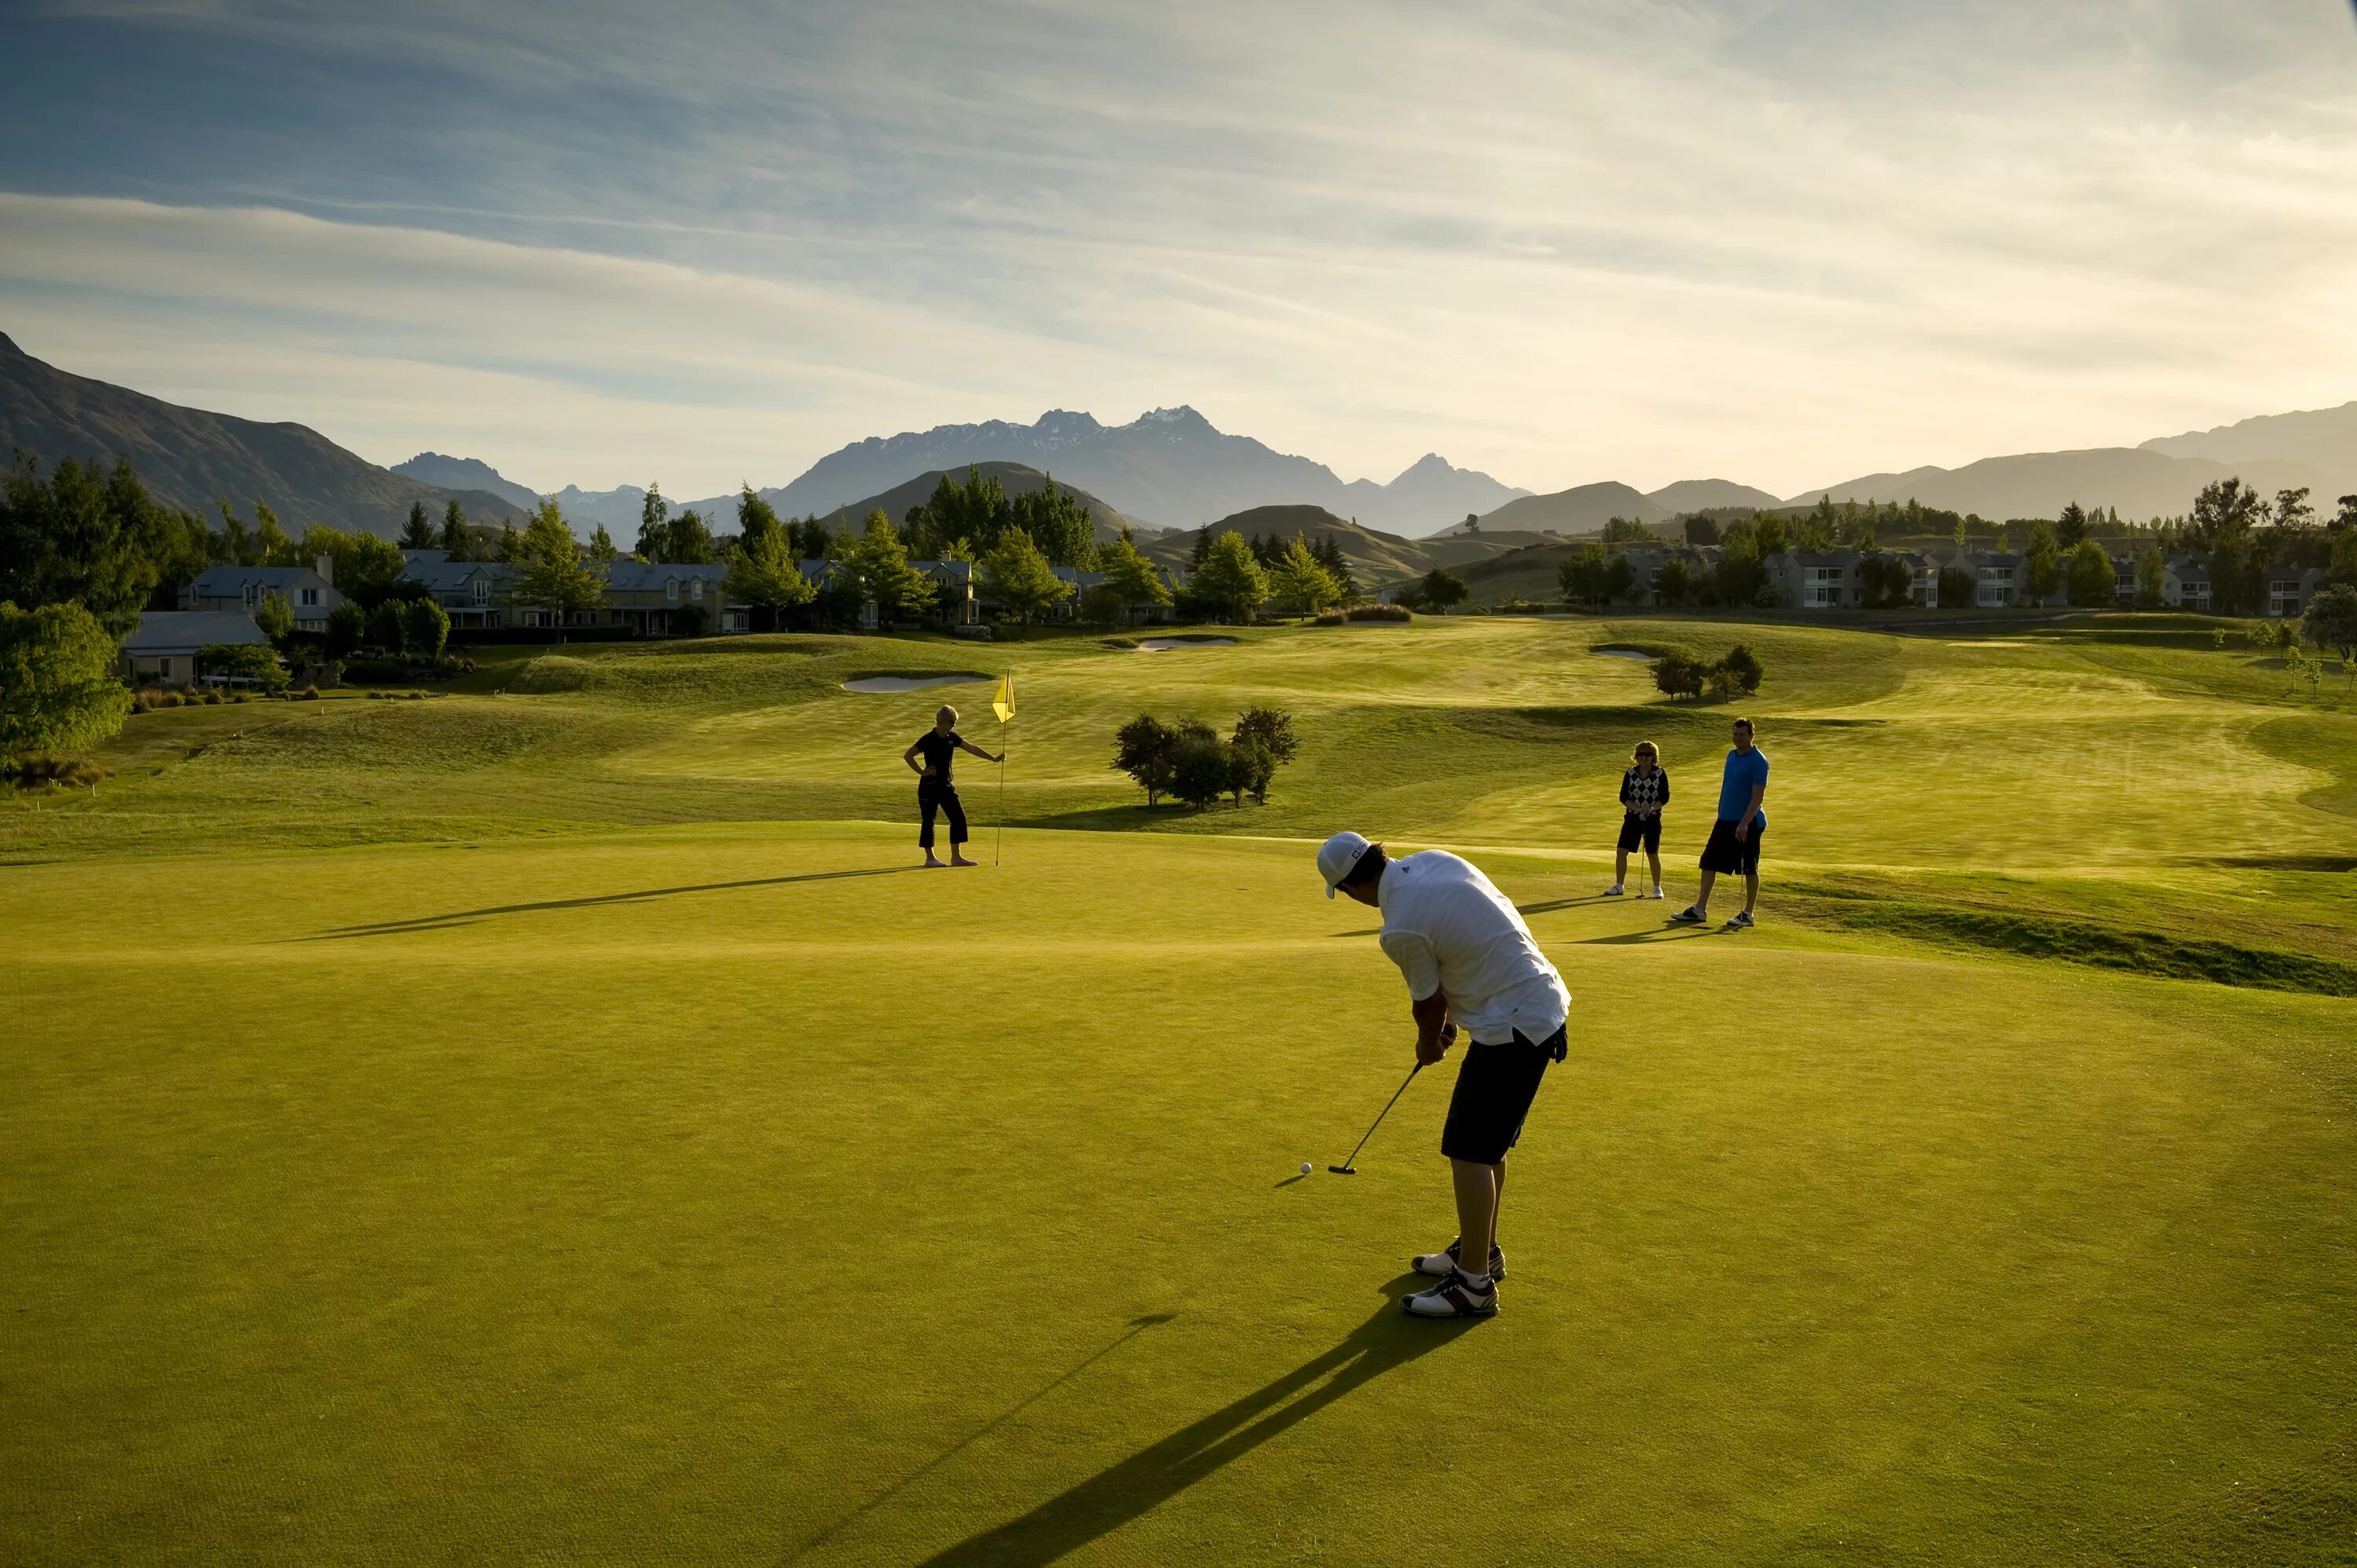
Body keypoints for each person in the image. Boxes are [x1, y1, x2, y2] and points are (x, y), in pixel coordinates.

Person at [1317, 830, 1571, 1320]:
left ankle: (1474, 1286)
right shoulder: (1434, 861)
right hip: (1540, 1002)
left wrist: (1429, 1042)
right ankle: (1482, 1251)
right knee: (1487, 1145)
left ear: (1349, 888)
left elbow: (1427, 1002)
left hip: (1514, 1022)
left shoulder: (1398, 928)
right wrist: (1453, 1017)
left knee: (1469, 1149)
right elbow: (1468, 936)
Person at [1668, 716, 1767, 930]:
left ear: (1751, 735)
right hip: (1724, 820)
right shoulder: (1731, 756)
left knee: (1748, 868)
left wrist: (1744, 823)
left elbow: (1757, 797)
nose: (1738, 738)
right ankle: (1700, 909)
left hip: (1748, 822)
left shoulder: (1759, 761)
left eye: (1742, 734)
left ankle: (1748, 914)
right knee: (1709, 862)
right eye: (1735, 734)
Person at [901, 705, 1003, 868]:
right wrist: (922, 772)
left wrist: (993, 759)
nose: (954, 726)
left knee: (958, 817)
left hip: (946, 785)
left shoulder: (952, 737)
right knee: (929, 820)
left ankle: (956, 857)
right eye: (952, 722)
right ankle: (930, 858)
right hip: (929, 786)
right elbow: (908, 755)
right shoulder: (927, 739)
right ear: (942, 721)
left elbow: (972, 748)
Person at [1605, 740, 1669, 899]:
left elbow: (1664, 797)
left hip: (1653, 819)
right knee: (1621, 851)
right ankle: (1619, 885)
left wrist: (1651, 809)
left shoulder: (1660, 773)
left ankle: (1657, 888)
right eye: (1640, 754)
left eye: (1648, 754)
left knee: (1652, 853)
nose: (1644, 757)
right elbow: (1624, 797)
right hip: (1633, 818)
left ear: (1654, 756)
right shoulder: (1631, 773)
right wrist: (1638, 809)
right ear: (1636, 756)